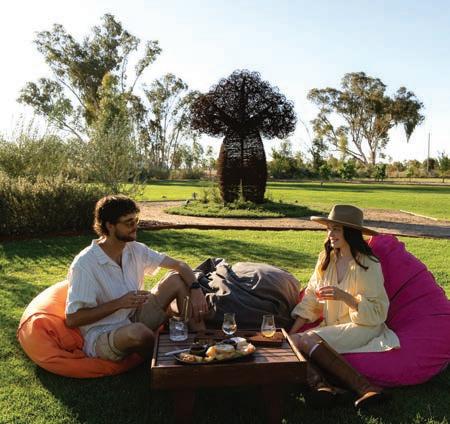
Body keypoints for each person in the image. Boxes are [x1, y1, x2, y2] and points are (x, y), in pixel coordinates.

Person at [65, 195, 208, 361]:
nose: (135, 227)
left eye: (136, 220)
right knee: (138, 332)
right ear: (110, 226)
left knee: (176, 279)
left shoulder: (134, 249)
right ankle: (166, 359)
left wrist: (196, 289)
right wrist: (119, 303)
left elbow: (180, 265)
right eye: (128, 223)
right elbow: (72, 319)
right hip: (103, 334)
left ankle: (204, 342)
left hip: (133, 317)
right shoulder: (85, 264)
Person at [289, 205, 400, 409]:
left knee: (308, 338)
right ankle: (324, 388)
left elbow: (378, 311)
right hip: (334, 327)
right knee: (294, 341)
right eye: (328, 229)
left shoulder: (368, 264)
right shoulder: (326, 259)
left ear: (350, 232)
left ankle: (366, 388)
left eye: (336, 229)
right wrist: (290, 334)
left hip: (364, 326)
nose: (330, 234)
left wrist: (346, 297)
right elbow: (311, 297)